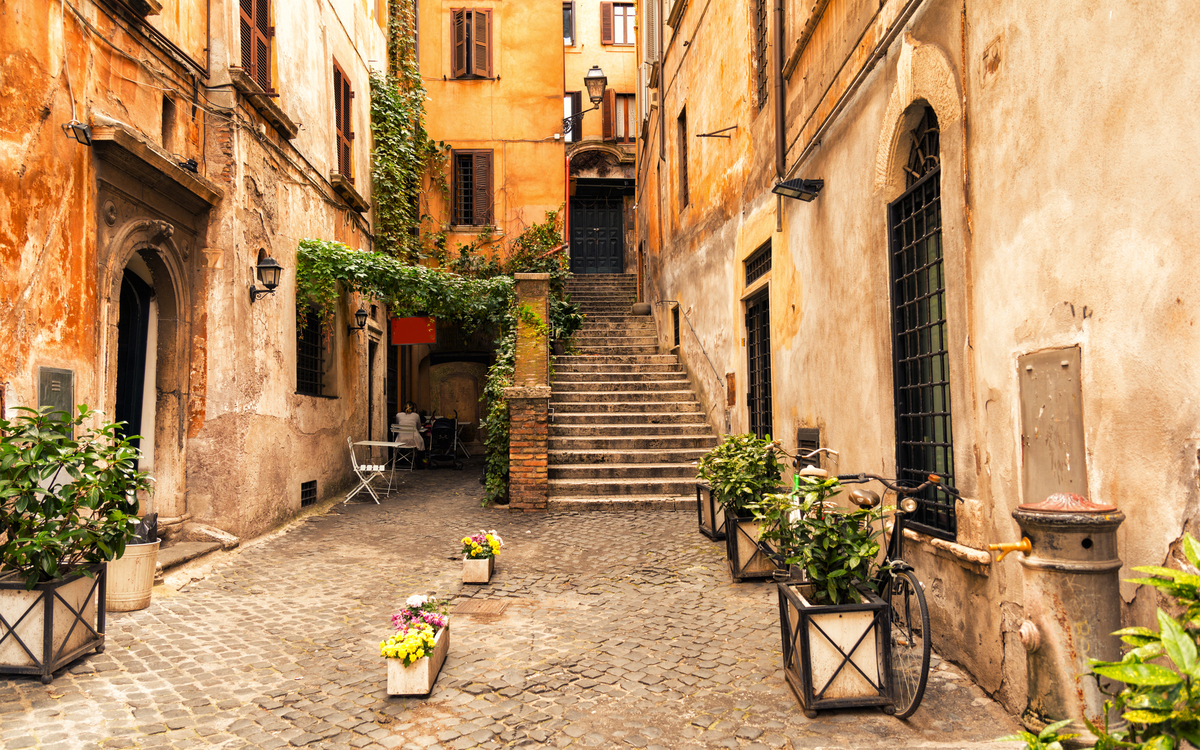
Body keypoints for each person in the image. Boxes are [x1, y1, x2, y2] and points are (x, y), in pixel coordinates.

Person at [393, 402, 426, 468]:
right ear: (414, 409)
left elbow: (397, 425)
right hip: (413, 440)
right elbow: (418, 427)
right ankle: (419, 463)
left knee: (404, 442)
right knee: (422, 442)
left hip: (400, 440)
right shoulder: (416, 416)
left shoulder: (398, 415)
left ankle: (400, 460)